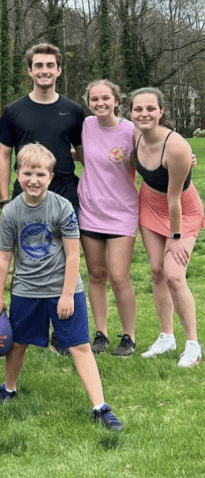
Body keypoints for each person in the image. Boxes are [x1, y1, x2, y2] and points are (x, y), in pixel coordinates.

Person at [0, 143, 123, 431]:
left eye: (40, 174)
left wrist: (67, 294)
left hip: (63, 289)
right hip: (25, 291)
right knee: (18, 344)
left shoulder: (62, 207)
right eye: (27, 173)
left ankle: (100, 407)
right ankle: (9, 389)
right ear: (17, 174)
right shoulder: (11, 212)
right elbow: (3, 258)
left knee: (80, 346)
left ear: (50, 177)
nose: (33, 180)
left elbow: (73, 254)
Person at [0, 42, 85, 356]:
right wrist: (6, 198)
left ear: (59, 70)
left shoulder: (73, 110)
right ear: (30, 70)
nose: (44, 71)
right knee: (26, 260)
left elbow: (85, 152)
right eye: (39, 65)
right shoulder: (14, 111)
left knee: (65, 258)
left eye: (50, 65)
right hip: (26, 196)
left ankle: (63, 332)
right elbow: (4, 156)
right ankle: (24, 327)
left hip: (63, 192)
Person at [130, 87, 203, 367]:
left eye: (151, 108)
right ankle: (166, 336)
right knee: (157, 271)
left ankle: (193, 345)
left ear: (162, 111)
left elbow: (175, 199)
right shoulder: (134, 135)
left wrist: (175, 237)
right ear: (131, 113)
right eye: (138, 109)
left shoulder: (176, 146)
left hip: (182, 210)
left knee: (174, 275)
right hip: (149, 203)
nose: (144, 114)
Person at [77, 81, 138, 356]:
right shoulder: (86, 125)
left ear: (116, 100)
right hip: (90, 210)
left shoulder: (130, 130)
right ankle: (100, 333)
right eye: (94, 99)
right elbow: (81, 155)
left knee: (119, 276)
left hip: (122, 212)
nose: (100, 103)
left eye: (105, 98)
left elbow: (153, 152)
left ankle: (129, 337)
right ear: (88, 102)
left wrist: (187, 160)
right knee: (96, 274)